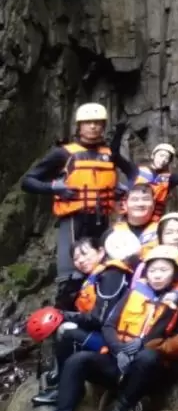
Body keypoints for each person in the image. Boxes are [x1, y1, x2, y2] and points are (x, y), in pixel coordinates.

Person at [50, 244, 178, 411]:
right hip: (118, 360)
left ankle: (121, 409)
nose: (157, 275)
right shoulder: (134, 293)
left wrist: (143, 345)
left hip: (149, 370)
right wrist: (118, 349)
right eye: (153, 270)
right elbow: (109, 325)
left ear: (175, 273)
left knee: (147, 357)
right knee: (77, 360)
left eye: (164, 270)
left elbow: (177, 339)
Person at [21, 104, 137, 308]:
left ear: (103, 127)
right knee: (70, 275)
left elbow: (135, 175)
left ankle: (99, 317)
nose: (93, 127)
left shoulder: (110, 154)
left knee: (104, 269)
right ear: (79, 127)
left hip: (101, 219)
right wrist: (55, 188)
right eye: (88, 123)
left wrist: (122, 188)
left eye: (98, 123)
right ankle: (62, 321)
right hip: (74, 219)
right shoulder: (63, 153)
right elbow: (28, 181)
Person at [32, 232, 142, 408]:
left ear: (100, 252)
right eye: (75, 259)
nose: (80, 261)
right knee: (63, 326)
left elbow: (100, 319)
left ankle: (65, 390)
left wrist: (64, 315)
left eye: (84, 254)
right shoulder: (96, 277)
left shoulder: (112, 274)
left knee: (65, 330)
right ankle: (60, 377)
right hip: (103, 334)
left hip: (115, 342)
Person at [108, 183, 159, 254]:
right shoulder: (112, 233)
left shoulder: (162, 231)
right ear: (125, 205)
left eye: (146, 199)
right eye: (134, 199)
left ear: (153, 204)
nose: (140, 204)